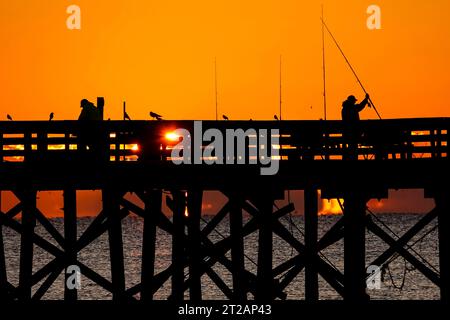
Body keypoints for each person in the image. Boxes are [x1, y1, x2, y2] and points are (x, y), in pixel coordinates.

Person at [341, 93, 370, 160]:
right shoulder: (353, 108)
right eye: (354, 101)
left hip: (346, 133)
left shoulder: (344, 109)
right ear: (352, 101)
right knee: (353, 148)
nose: (354, 102)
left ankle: (347, 158)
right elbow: (360, 106)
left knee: (350, 148)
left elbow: (359, 106)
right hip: (354, 133)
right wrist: (366, 99)